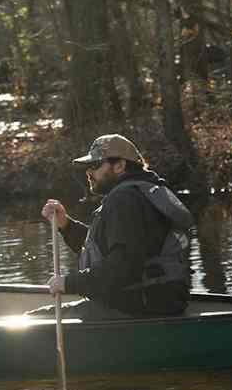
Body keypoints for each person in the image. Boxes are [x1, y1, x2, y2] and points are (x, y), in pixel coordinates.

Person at [32, 134, 194, 320]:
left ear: (120, 165)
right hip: (154, 301)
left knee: (31, 320)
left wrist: (69, 283)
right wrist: (66, 225)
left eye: (95, 165)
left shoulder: (124, 199)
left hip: (137, 306)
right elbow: (110, 251)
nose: (88, 173)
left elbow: (121, 270)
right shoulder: (139, 192)